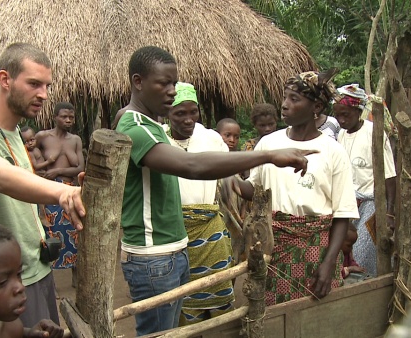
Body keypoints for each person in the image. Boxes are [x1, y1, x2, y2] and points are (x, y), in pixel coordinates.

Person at [115, 45, 313, 336]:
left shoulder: (148, 124)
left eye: (174, 82)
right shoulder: (137, 127)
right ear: (137, 82)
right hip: (154, 256)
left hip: (170, 250)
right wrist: (269, 155)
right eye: (163, 83)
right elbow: (192, 166)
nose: (171, 90)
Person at [0, 42, 85, 327]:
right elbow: (0, 176)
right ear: (5, 79)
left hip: (36, 267)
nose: (44, 94)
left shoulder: (14, 135)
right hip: (2, 281)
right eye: (34, 83)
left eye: (47, 86)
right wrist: (64, 191)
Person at [232, 69, 359, 306]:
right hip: (273, 246)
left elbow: (342, 214)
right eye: (285, 97)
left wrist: (330, 262)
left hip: (316, 250)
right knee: (271, 313)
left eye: (294, 99)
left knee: (314, 316)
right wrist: (226, 178)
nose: (284, 105)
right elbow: (253, 190)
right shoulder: (269, 143)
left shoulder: (333, 151)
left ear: (316, 108)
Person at [163, 82, 235, 325]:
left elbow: (226, 173)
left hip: (208, 228)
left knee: (218, 288)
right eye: (179, 113)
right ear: (167, 113)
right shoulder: (158, 138)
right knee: (182, 296)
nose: (188, 119)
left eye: (192, 111)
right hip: (173, 230)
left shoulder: (211, 138)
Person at [333, 83, 397, 277]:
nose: (341, 120)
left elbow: (390, 175)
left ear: (358, 111)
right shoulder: (342, 134)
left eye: (346, 115)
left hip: (371, 203)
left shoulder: (374, 133)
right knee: (345, 253)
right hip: (348, 202)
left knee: (363, 253)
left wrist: (389, 212)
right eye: (338, 115)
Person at [36, 102, 84, 271]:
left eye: (71, 117)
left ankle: (75, 273)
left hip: (70, 189)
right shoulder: (43, 137)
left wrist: (58, 170)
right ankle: (51, 278)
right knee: (51, 234)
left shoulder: (75, 140)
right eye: (64, 116)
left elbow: (80, 168)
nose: (68, 120)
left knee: (74, 231)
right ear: (55, 117)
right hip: (49, 191)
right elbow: (30, 158)